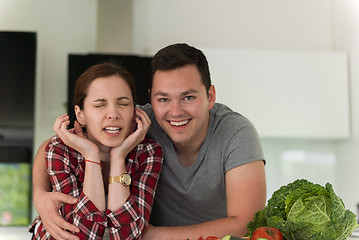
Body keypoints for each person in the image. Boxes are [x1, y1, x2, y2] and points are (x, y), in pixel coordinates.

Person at [31, 43, 266, 240]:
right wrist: (39, 194)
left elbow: (248, 223)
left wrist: (152, 235)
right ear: (151, 99)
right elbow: (55, 145)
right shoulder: (139, 120)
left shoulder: (236, 132)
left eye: (189, 97)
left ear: (210, 96)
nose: (175, 112)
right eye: (163, 99)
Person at [29, 63, 163, 239]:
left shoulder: (148, 152)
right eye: (100, 105)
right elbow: (82, 235)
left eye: (123, 103)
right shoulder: (60, 151)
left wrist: (118, 157)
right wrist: (91, 155)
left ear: (135, 111)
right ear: (80, 115)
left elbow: (130, 235)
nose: (113, 114)